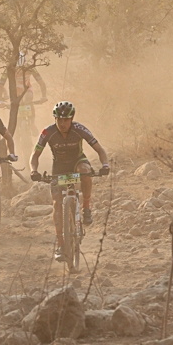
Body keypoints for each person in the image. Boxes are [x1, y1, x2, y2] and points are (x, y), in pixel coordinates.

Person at [29, 101, 110, 262]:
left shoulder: (80, 129)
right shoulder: (47, 132)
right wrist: (33, 170)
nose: (62, 123)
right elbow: (35, 155)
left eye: (66, 119)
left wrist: (105, 165)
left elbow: (100, 150)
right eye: (59, 119)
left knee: (85, 170)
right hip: (59, 167)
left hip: (77, 161)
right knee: (57, 204)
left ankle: (86, 208)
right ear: (55, 119)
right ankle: (60, 245)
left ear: (72, 119)